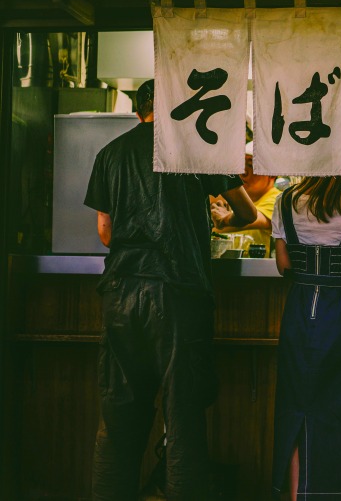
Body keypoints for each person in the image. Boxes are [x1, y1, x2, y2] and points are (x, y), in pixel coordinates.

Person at [84, 79, 257, 501]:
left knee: (119, 417)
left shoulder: (110, 153)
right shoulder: (197, 149)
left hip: (121, 295)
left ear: (138, 108)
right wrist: (219, 223)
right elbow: (247, 211)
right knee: (183, 419)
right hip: (179, 294)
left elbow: (105, 232)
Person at [270, 175, 341, 501]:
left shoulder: (286, 199)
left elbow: (283, 265)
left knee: (296, 404)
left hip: (301, 305)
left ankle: (294, 495)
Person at [211, 139, 281, 252]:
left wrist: (221, 220)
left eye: (251, 166)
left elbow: (250, 219)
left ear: (271, 174)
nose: (243, 172)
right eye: (241, 164)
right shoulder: (232, 201)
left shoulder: (277, 200)